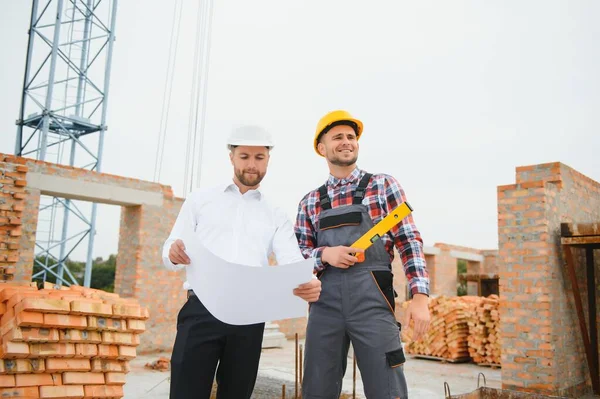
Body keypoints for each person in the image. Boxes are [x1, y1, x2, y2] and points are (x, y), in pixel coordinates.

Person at [162, 125, 322, 399]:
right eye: (245, 156)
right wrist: (173, 253)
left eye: (259, 157)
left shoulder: (276, 212)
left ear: (268, 160)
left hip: (249, 315)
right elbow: (170, 247)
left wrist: (308, 281)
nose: (252, 164)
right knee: (186, 391)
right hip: (202, 309)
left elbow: (291, 260)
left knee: (237, 392)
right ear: (231, 157)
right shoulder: (200, 200)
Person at [294, 110, 431, 399]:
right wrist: (326, 254)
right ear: (322, 148)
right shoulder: (309, 202)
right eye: (337, 137)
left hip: (373, 302)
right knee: (317, 388)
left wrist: (420, 298)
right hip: (324, 306)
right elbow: (299, 256)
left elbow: (408, 240)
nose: (346, 142)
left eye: (351, 136)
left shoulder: (382, 185)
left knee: (387, 387)